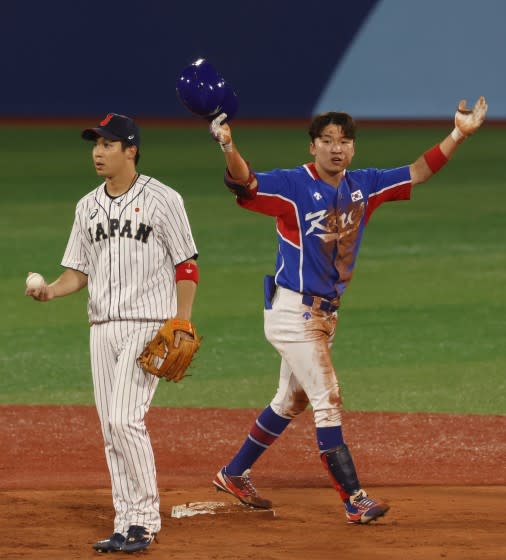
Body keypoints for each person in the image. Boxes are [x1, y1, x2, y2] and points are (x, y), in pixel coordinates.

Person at [207, 97, 488, 524]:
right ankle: (354, 499)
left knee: (290, 401)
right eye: (326, 140)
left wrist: (458, 134)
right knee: (327, 398)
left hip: (324, 316)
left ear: (353, 148)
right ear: (312, 147)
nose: (336, 148)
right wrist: (228, 145)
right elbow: (245, 184)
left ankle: (233, 472)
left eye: (344, 141)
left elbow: (417, 171)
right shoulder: (293, 185)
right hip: (293, 313)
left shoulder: (364, 185)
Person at [25, 113, 200, 551]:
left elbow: (186, 265)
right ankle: (126, 521)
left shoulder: (163, 199)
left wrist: (181, 319)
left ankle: (145, 519)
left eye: (107, 144)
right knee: (111, 429)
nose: (98, 152)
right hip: (101, 329)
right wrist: (49, 291)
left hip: (147, 325)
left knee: (125, 419)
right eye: (95, 144)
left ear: (130, 150)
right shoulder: (86, 206)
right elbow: (78, 272)